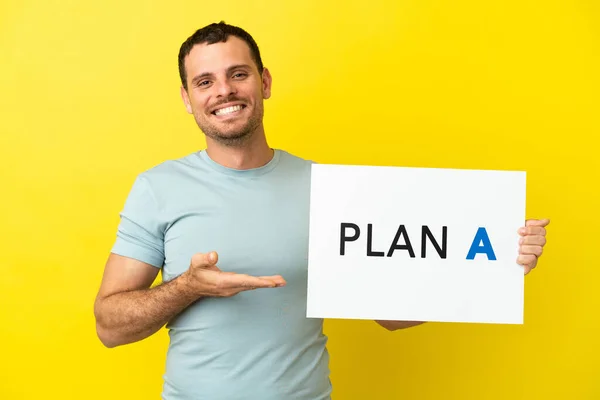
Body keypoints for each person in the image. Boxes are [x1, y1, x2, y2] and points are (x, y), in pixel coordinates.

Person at [93, 21, 551, 400]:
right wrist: (187, 288)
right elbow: (110, 327)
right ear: (187, 99)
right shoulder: (158, 188)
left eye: (238, 74)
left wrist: (494, 271)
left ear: (264, 82)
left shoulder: (330, 188)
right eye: (205, 81)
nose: (224, 91)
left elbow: (389, 316)